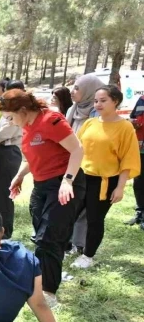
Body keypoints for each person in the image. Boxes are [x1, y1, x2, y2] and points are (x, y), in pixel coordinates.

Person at [2, 89, 84, 308]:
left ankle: (48, 292)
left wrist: (67, 181)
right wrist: (19, 176)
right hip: (42, 185)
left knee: (50, 238)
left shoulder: (51, 120)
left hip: (64, 183)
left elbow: (77, 150)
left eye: (11, 116)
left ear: (22, 109)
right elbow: (37, 157)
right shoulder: (27, 127)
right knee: (40, 236)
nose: (10, 121)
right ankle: (39, 284)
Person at [70, 86, 140, 269]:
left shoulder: (125, 127)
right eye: (96, 101)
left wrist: (120, 187)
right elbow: (76, 149)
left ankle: (88, 256)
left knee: (94, 219)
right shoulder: (90, 123)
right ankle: (67, 246)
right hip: (81, 177)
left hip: (105, 181)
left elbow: (128, 159)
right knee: (70, 213)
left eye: (103, 100)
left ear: (115, 101)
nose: (98, 104)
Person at [67, 73, 105, 255]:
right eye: (73, 87)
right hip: (70, 164)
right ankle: (67, 240)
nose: (72, 92)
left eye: (77, 88)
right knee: (70, 204)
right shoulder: (73, 110)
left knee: (84, 208)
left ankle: (79, 243)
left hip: (90, 166)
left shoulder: (98, 113)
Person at [0, 80, 25, 238]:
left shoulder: (19, 111)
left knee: (4, 195)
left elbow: (3, 133)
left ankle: (4, 233)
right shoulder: (6, 110)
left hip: (9, 152)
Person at [125, 94, 144, 229]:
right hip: (140, 149)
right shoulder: (142, 99)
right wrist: (133, 122)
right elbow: (134, 117)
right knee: (139, 182)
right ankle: (140, 212)